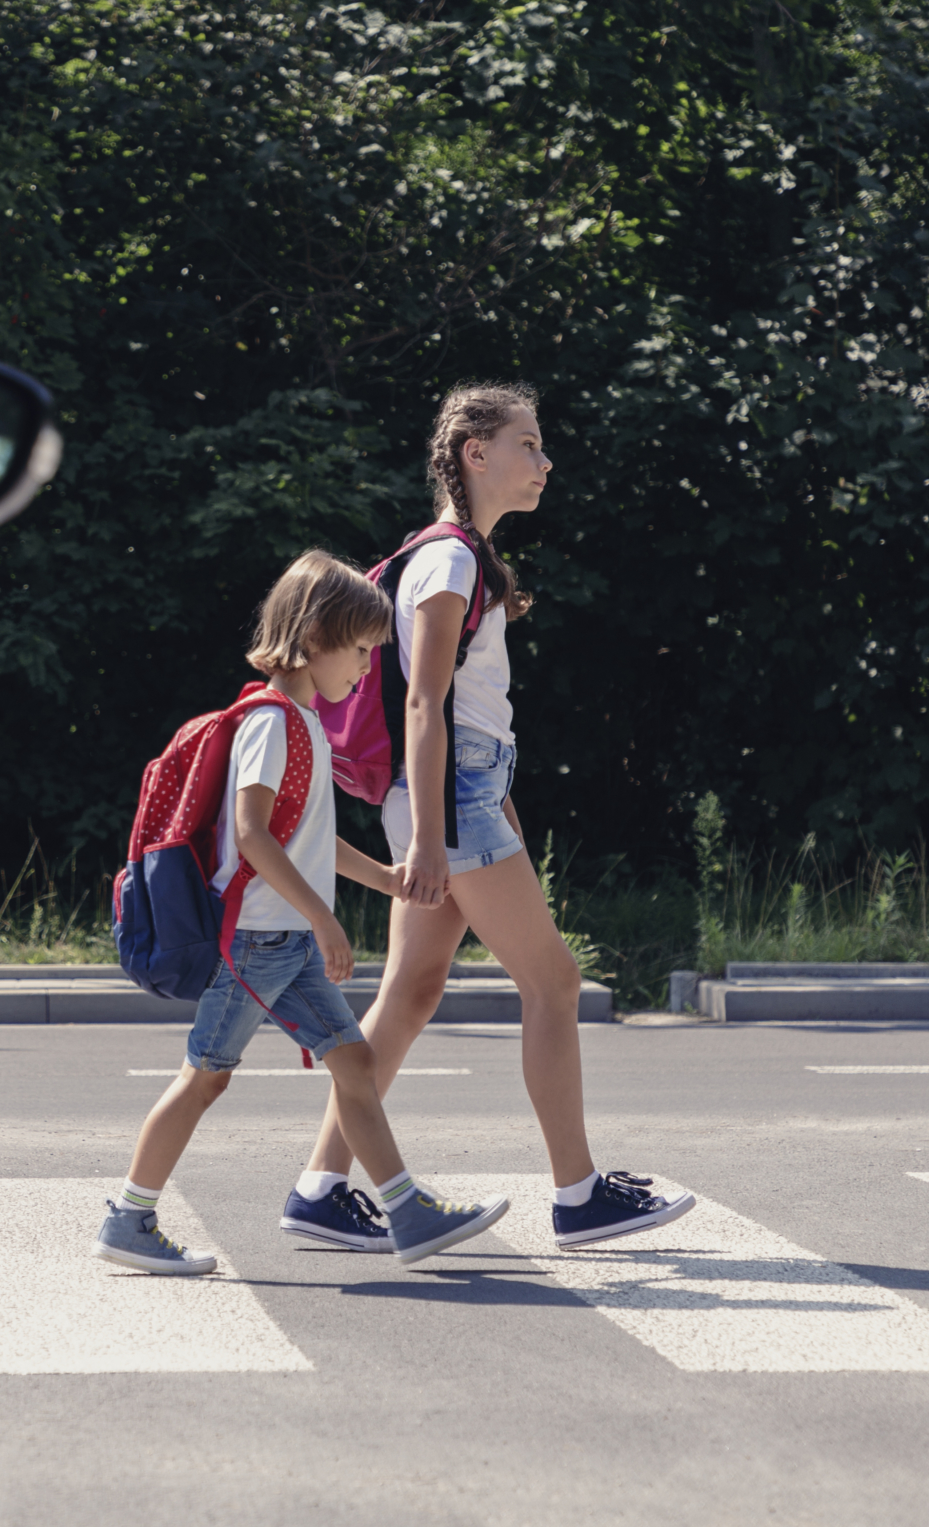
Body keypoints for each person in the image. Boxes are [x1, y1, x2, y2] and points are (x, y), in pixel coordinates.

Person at [279, 384, 697, 1253]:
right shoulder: (451, 561)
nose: (544, 462)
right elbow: (425, 704)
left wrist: (480, 807)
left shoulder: (458, 560)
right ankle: (579, 1194)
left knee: (412, 989)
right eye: (529, 444)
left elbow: (463, 710)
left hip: (463, 794)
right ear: (475, 452)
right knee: (553, 984)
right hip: (449, 798)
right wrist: (436, 835)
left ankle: (320, 1187)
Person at [94, 551, 513, 1276]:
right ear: (313, 637)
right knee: (206, 1077)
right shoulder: (270, 720)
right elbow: (254, 834)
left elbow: (308, 838)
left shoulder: (305, 724)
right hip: (257, 942)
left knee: (353, 1061)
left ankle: (406, 1210)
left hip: (279, 940)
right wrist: (325, 919)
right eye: (358, 652)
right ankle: (130, 1217)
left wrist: (383, 877)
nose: (363, 670)